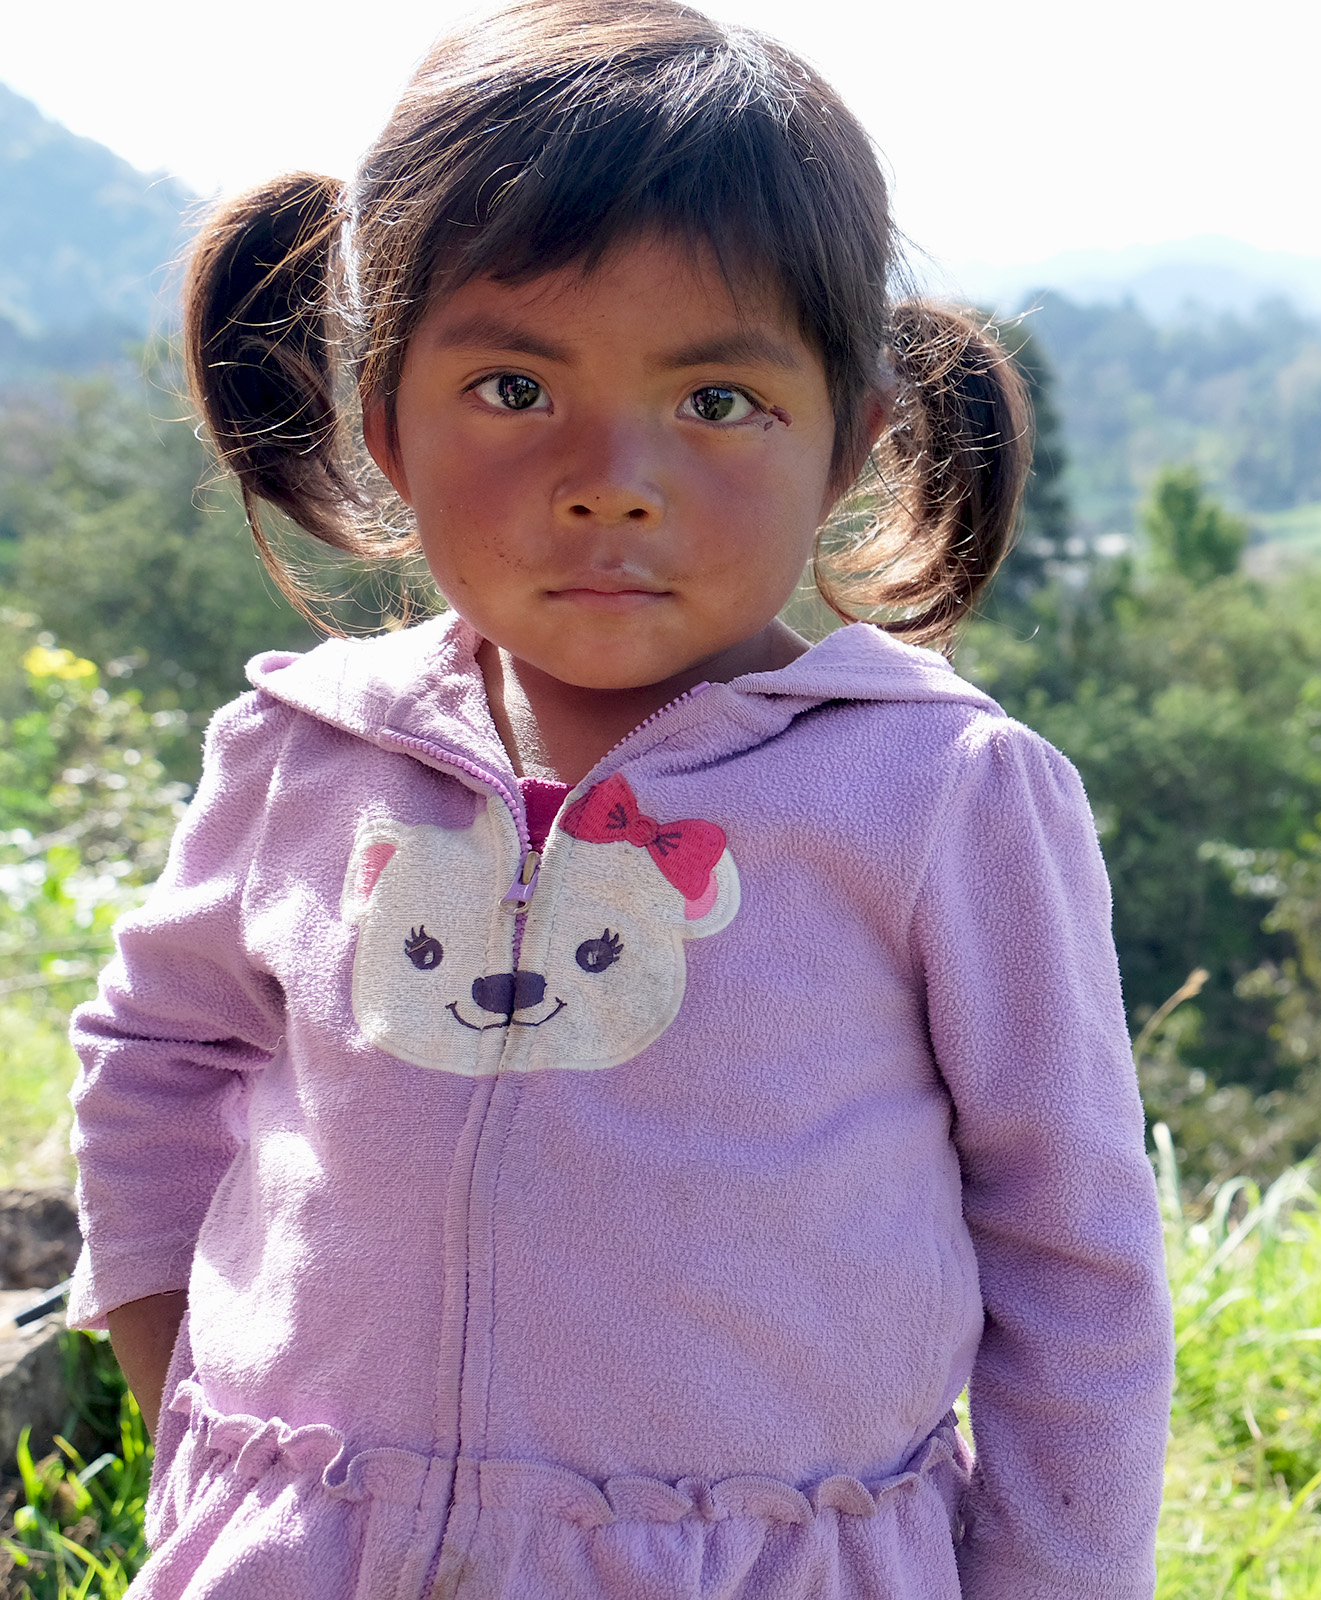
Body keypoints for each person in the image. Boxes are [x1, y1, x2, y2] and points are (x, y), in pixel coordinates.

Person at [65, 2, 1174, 1595]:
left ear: (850, 441)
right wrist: (201, 1420)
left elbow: (1075, 1254)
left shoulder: (940, 799)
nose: (613, 477)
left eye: (718, 401)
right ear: (385, 420)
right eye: (515, 390)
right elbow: (153, 1062)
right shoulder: (302, 753)